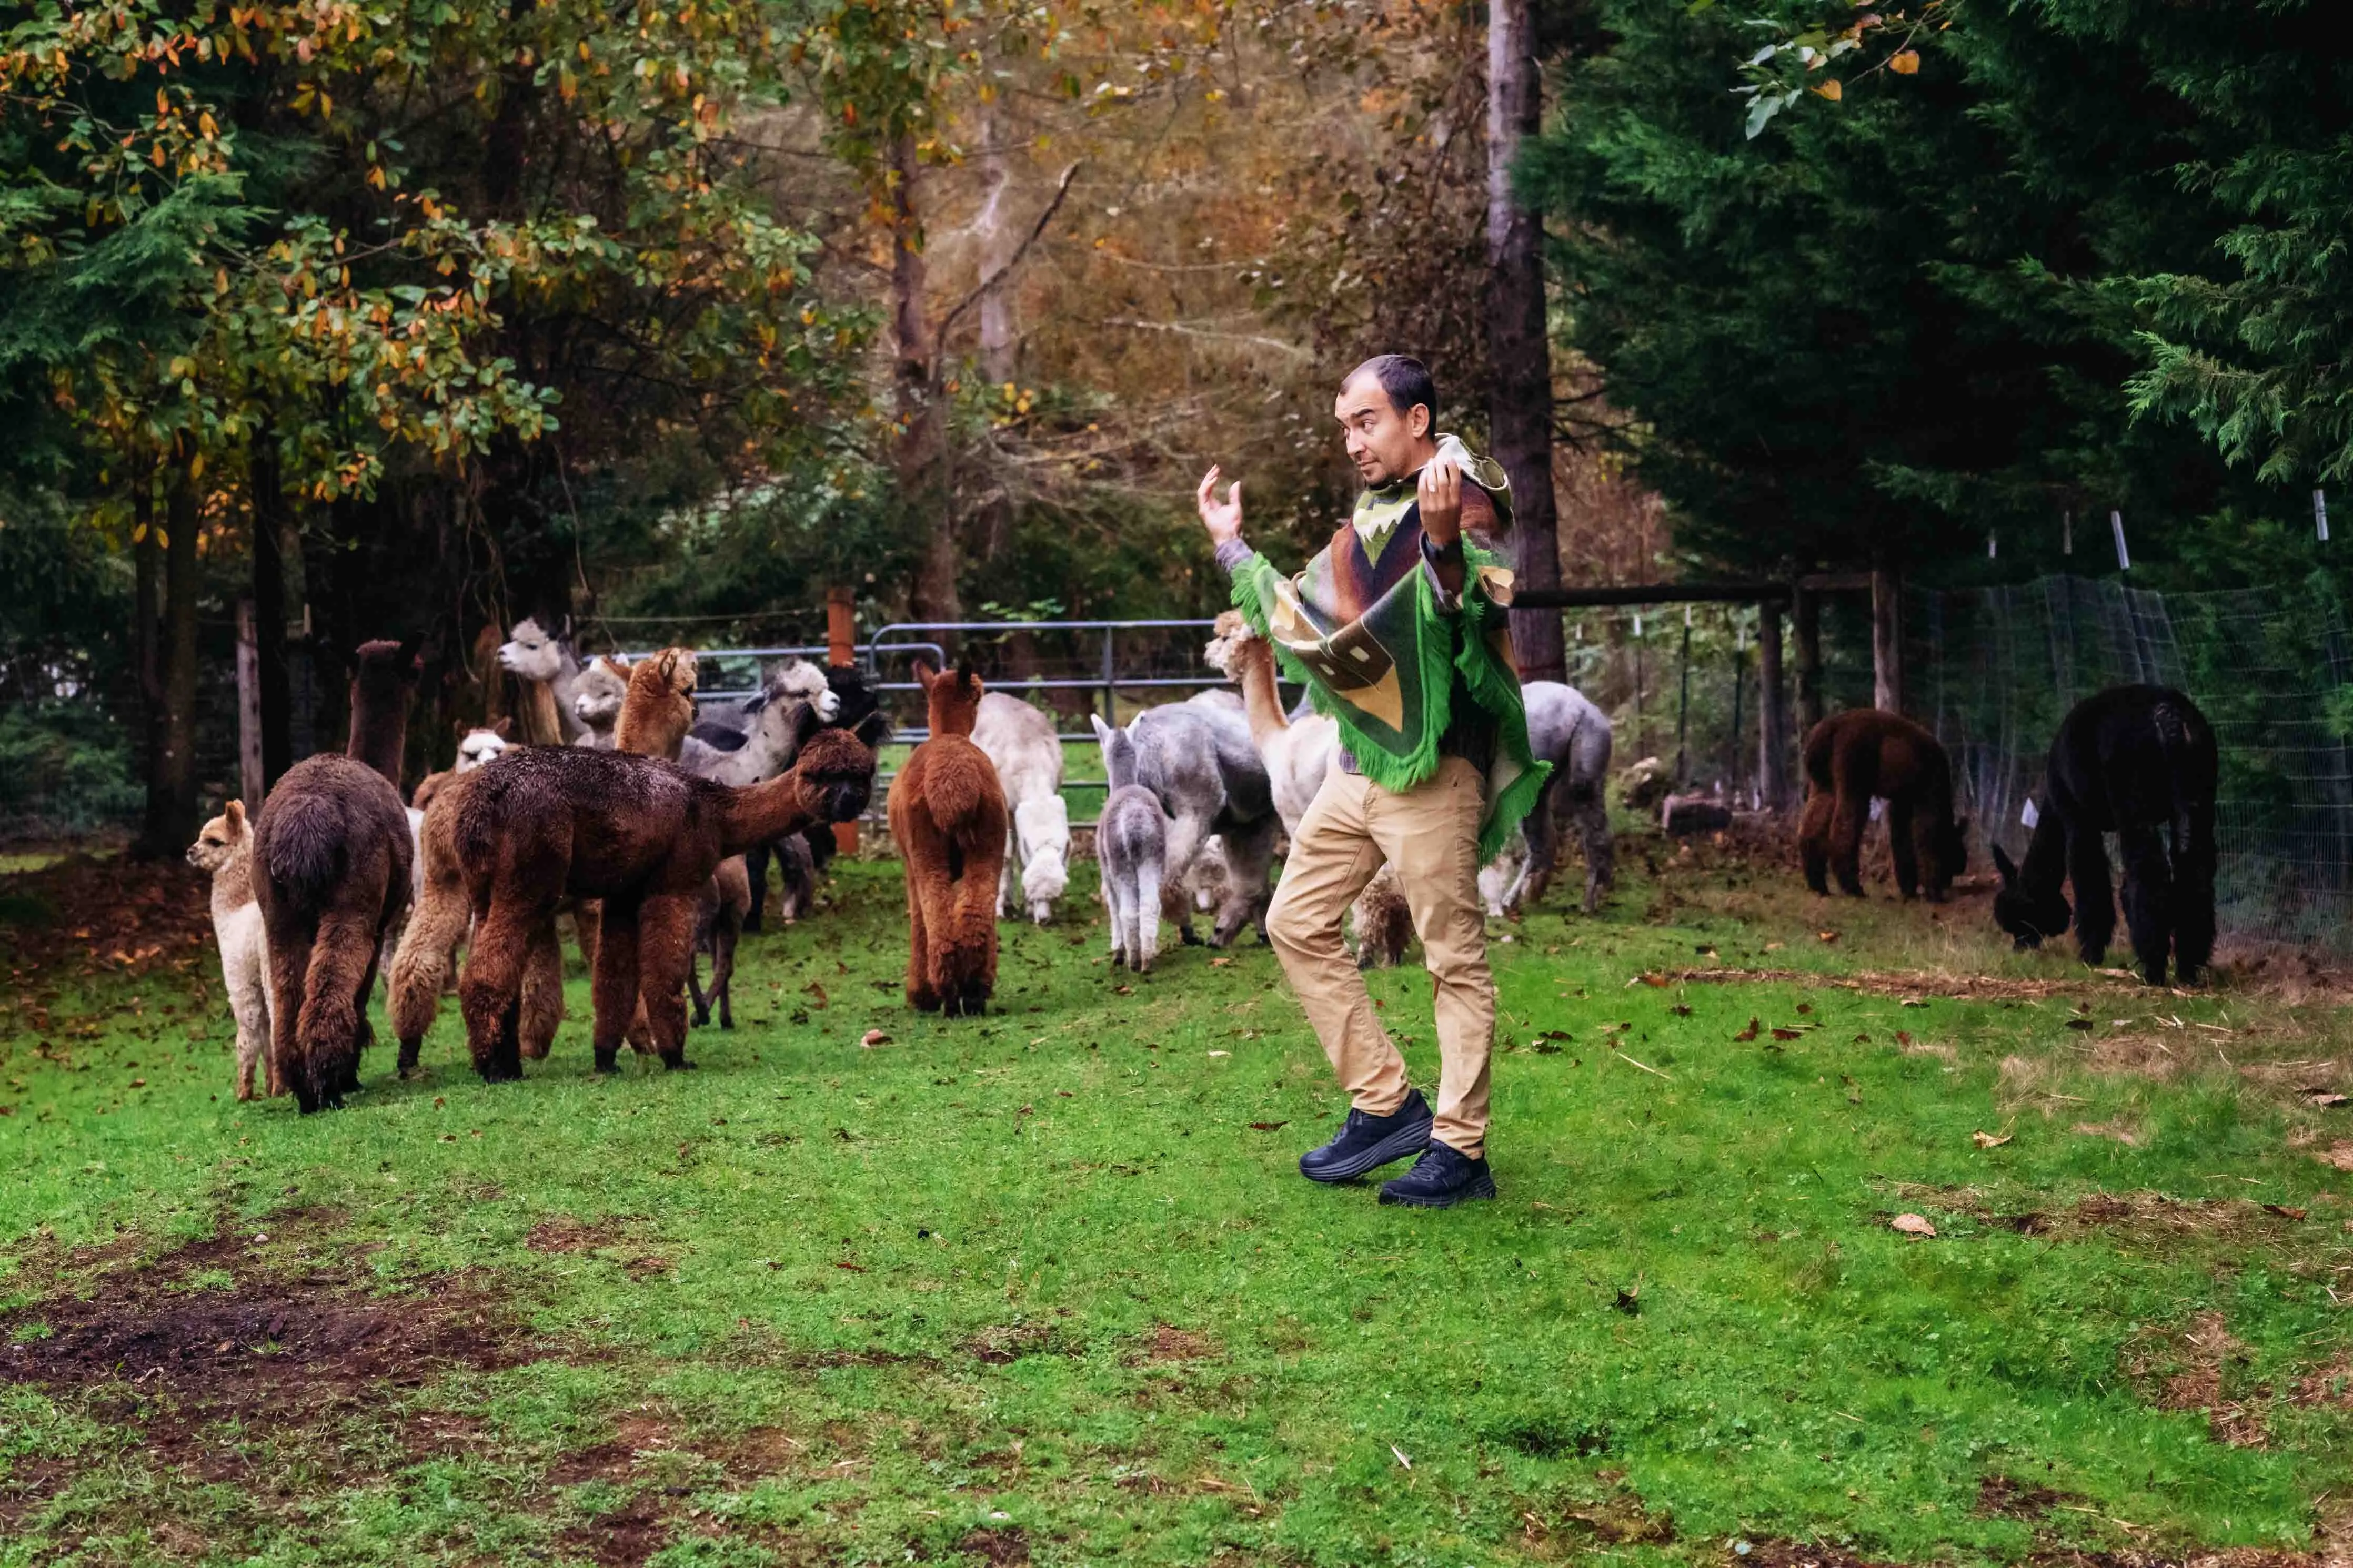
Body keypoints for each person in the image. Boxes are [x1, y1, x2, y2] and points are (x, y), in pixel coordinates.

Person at [1198, 355, 1548, 1208]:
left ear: (1417, 420)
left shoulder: (1466, 496)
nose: (1353, 442)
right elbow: (1305, 614)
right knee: (1295, 919)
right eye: (1345, 427)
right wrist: (1229, 544)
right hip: (1359, 766)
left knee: (1453, 960)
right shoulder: (1369, 520)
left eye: (1367, 422)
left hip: (1438, 771)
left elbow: (1477, 605)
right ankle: (1387, 1103)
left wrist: (1441, 550)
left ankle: (1461, 1151)